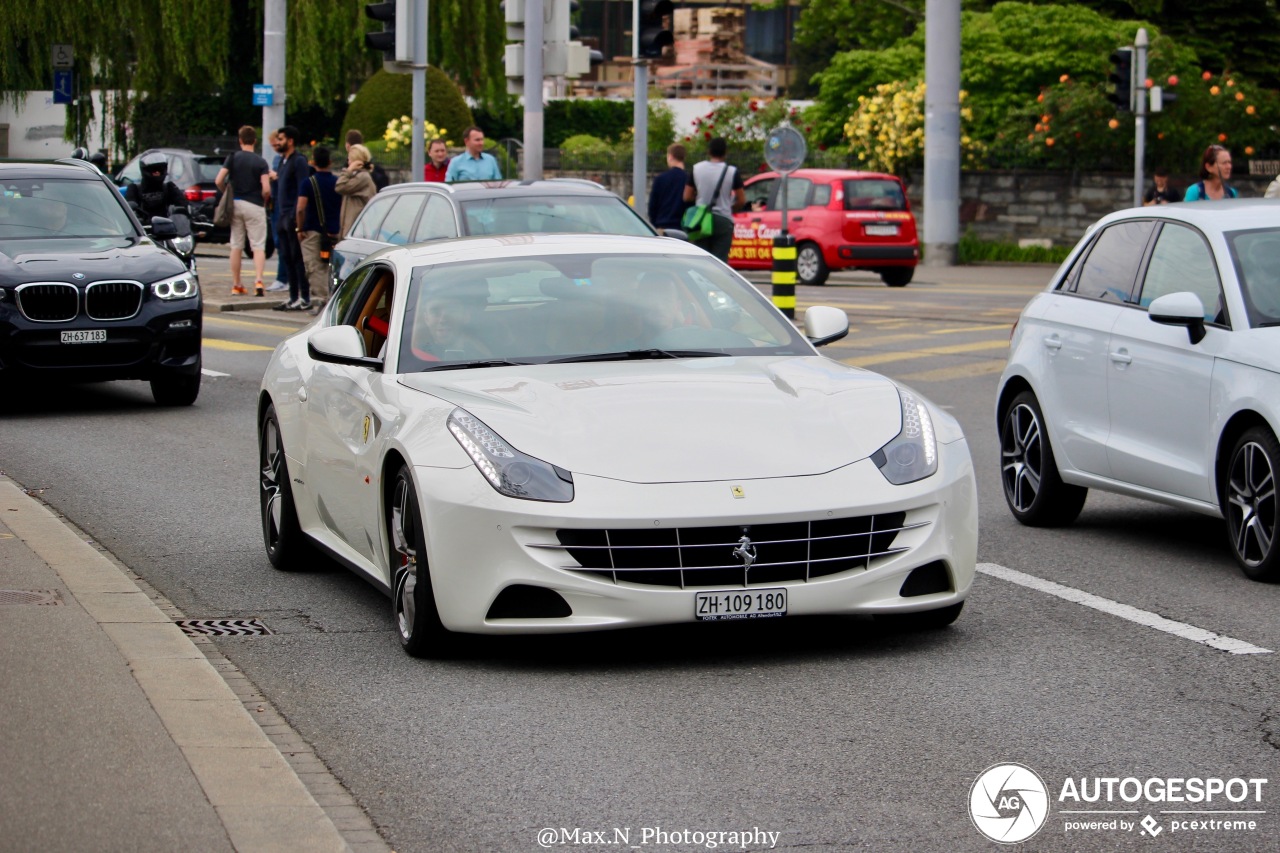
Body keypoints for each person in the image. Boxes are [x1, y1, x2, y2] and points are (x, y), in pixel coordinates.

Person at [215, 125, 271, 296]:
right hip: (254, 204)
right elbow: (266, 188)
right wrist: (264, 199)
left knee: (236, 245)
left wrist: (227, 193)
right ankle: (259, 281)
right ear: (255, 140)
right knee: (258, 245)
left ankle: (236, 283)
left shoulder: (232, 158)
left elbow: (218, 180)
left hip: (236, 203)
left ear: (240, 140)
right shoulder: (261, 162)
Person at [296, 146, 342, 314]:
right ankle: (334, 298)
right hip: (335, 231)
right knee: (333, 268)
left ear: (313, 162)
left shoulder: (308, 183)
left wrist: (299, 228)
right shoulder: (338, 182)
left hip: (313, 231)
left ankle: (325, 301)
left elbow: (301, 208)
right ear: (330, 162)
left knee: (315, 267)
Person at [683, 137, 745, 261]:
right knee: (720, 261)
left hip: (701, 220)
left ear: (709, 151)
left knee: (702, 260)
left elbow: (687, 196)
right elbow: (741, 200)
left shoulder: (697, 169)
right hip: (723, 219)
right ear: (725, 153)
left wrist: (700, 197)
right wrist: (730, 207)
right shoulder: (732, 172)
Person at [271, 126, 312, 311]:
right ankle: (293, 296)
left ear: (290, 141)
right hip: (281, 214)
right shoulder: (282, 161)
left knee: (297, 257)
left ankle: (304, 297)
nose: (277, 142)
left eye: (281, 139)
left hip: (292, 215)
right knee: (286, 256)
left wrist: (297, 216)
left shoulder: (299, 161)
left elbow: (303, 188)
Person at [125, 151, 188, 223]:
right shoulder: (134, 189)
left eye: (159, 170)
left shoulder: (169, 187)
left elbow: (184, 206)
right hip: (144, 230)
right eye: (154, 171)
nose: (157, 173)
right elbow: (129, 209)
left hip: (168, 230)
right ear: (145, 170)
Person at [264, 131, 292, 292]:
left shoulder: (289, 161)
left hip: (284, 207)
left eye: (277, 144)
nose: (275, 147)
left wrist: (277, 176)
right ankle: (283, 278)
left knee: (283, 243)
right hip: (276, 205)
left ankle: (283, 278)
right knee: (279, 243)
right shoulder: (278, 159)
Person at [336, 143, 378, 240]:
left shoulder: (362, 177)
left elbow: (340, 186)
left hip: (356, 233)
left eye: (350, 159)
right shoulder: (357, 176)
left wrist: (349, 170)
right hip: (351, 232)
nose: (348, 162)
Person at [648, 143, 689, 229]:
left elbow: (652, 206)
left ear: (670, 156)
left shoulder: (660, 179)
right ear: (683, 158)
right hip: (681, 228)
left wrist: (655, 224)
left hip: (662, 226)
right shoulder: (688, 179)